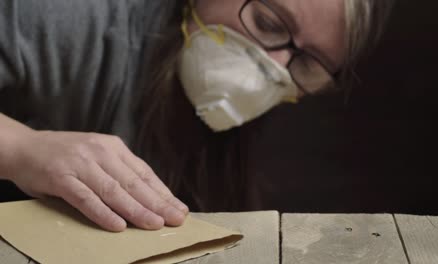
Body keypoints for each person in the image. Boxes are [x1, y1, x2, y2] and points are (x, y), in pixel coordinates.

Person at [0, 0, 394, 232]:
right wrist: (25, 149)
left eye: (308, 64)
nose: (272, 68)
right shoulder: (74, 18)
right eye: (268, 23)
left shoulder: (246, 139)